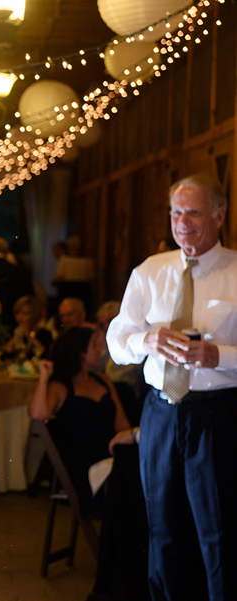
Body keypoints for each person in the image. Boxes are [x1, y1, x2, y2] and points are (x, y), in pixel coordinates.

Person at [107, 175, 237, 600]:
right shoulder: (151, 270)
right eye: (175, 212)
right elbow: (116, 339)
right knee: (162, 529)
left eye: (193, 212)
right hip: (160, 413)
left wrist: (222, 357)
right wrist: (146, 340)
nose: (182, 222)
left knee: (218, 535)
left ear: (219, 215)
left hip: (218, 414)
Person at [29, 327, 149, 601]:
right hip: (89, 473)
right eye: (96, 345)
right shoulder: (60, 387)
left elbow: (122, 428)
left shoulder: (104, 381)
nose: (102, 350)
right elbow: (38, 414)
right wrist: (44, 378)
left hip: (113, 462)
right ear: (81, 353)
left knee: (138, 471)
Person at [1, 295, 52, 361]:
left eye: (25, 313)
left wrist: (29, 335)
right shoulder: (9, 332)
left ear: (34, 315)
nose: (20, 317)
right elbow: (2, 354)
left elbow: (45, 354)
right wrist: (16, 337)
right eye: (18, 312)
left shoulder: (45, 334)